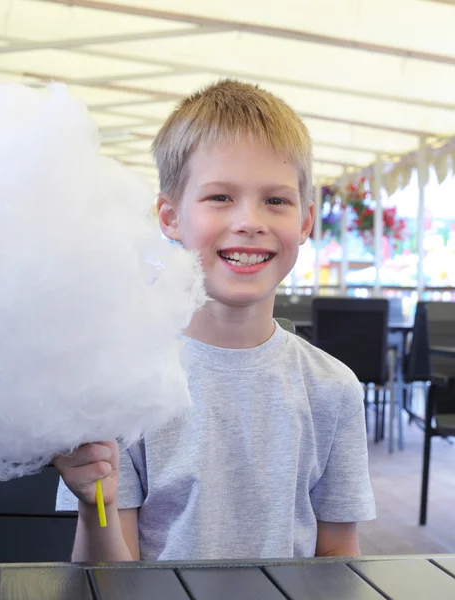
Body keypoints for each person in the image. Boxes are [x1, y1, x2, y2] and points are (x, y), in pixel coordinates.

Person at [54, 79, 375, 562]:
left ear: (306, 220)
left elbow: (338, 563)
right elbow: (108, 580)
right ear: (170, 217)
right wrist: (92, 501)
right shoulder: (122, 387)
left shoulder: (334, 390)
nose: (249, 220)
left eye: (276, 200)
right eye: (220, 197)